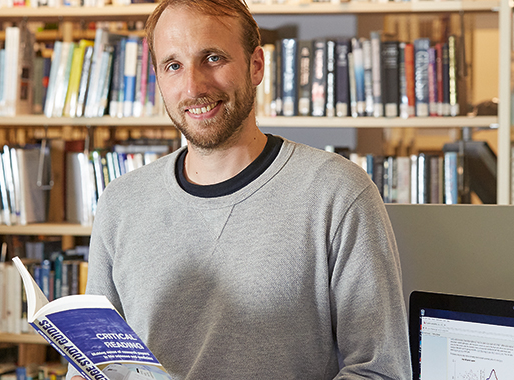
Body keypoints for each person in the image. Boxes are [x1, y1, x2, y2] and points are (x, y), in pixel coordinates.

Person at [67, 0, 412, 378]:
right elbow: (93, 367)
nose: (193, 86)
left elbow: (379, 371)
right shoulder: (121, 202)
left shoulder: (338, 193)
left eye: (213, 58)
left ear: (256, 66)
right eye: (173, 66)